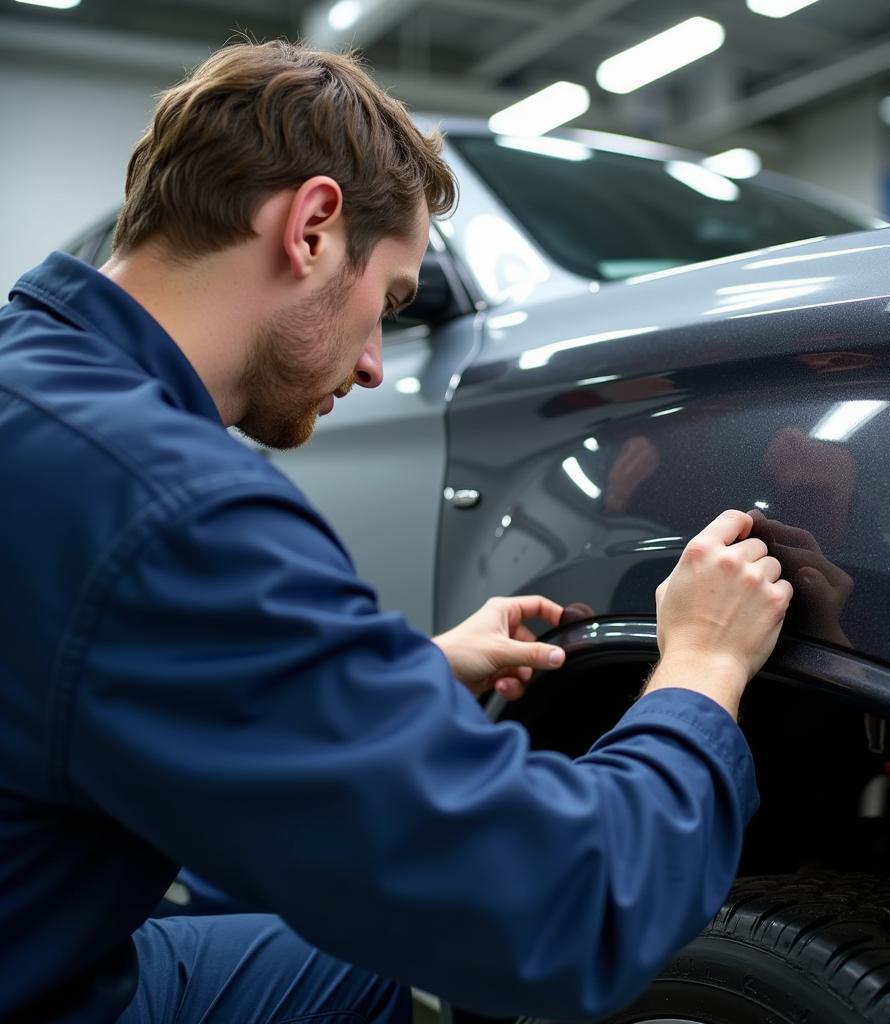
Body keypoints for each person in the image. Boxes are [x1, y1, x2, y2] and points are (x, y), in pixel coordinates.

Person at [0, 40, 792, 1024]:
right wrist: (704, 666)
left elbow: (132, 680)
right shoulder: (168, 504)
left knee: (338, 959)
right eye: (391, 299)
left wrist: (409, 668)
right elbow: (560, 907)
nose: (375, 362)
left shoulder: (34, 386)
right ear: (314, 227)